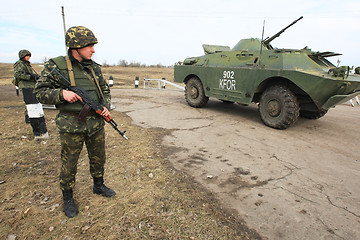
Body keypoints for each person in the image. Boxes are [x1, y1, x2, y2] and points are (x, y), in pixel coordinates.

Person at [34, 26, 115, 218]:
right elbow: (39, 92)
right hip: (71, 125)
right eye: (89, 46)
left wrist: (105, 106)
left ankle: (98, 185)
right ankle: (68, 197)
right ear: (75, 47)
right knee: (69, 162)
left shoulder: (94, 67)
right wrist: (62, 94)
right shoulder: (56, 65)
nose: (93, 50)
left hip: (95, 123)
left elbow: (105, 92)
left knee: (98, 156)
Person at [13, 49, 49, 139]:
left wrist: (35, 76)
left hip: (31, 85)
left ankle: (33, 120)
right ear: (22, 56)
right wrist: (30, 76)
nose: (28, 57)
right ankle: (31, 120)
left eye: (29, 56)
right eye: (26, 56)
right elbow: (18, 74)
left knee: (35, 104)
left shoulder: (27, 64)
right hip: (26, 86)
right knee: (31, 105)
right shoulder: (19, 64)